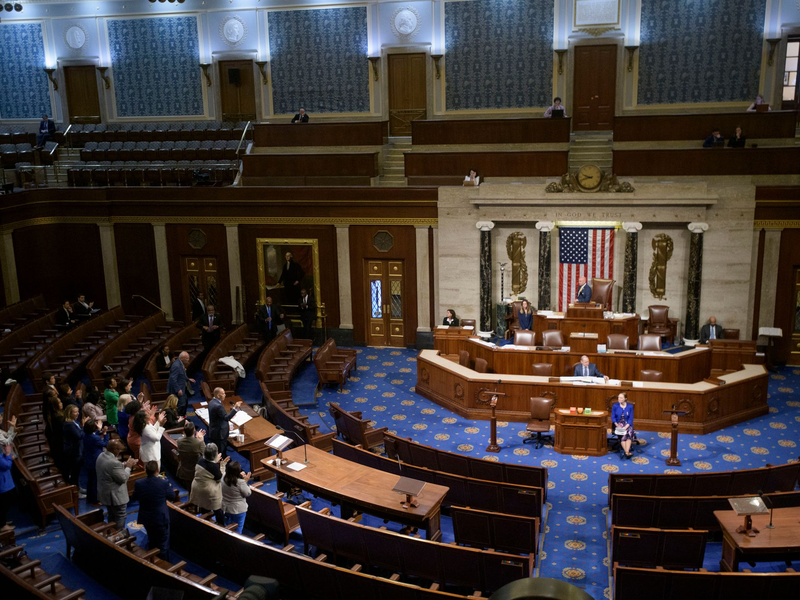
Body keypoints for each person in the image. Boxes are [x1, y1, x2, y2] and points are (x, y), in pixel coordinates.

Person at [134, 461, 173, 559]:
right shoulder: (163, 483)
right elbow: (172, 496)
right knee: (163, 544)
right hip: (160, 518)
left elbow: (134, 497)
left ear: (145, 470)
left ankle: (153, 560)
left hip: (146, 518)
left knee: (152, 539)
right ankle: (164, 566)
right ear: (157, 470)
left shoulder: (139, 483)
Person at [97, 439, 137, 528]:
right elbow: (123, 478)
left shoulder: (101, 455)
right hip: (115, 496)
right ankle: (119, 535)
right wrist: (129, 467)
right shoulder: (113, 462)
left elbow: (111, 469)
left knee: (111, 515)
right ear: (115, 449)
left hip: (105, 493)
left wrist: (125, 464)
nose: (119, 452)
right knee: (120, 515)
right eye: (119, 450)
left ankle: (112, 532)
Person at [190, 443, 228, 524]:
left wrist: (215, 460)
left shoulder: (200, 459)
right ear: (215, 454)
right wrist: (222, 465)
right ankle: (221, 525)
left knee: (204, 505)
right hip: (208, 491)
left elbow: (209, 463)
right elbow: (219, 478)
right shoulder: (213, 467)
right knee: (218, 509)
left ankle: (205, 521)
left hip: (197, 487)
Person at [208, 387, 242, 460]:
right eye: (223, 393)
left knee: (217, 452)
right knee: (221, 454)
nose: (225, 395)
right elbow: (226, 418)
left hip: (214, 430)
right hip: (219, 434)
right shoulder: (218, 406)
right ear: (218, 395)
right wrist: (235, 408)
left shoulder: (211, 402)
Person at [62, 405, 88, 496]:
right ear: (69, 413)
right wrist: (84, 425)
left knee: (76, 472)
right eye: (75, 412)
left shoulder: (73, 422)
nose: (77, 414)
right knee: (74, 473)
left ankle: (78, 487)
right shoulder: (69, 424)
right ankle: (76, 492)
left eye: (78, 411)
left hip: (77, 450)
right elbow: (79, 436)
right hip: (73, 452)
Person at [83, 419, 109, 505]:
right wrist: (105, 434)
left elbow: (94, 436)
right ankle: (95, 500)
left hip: (88, 460)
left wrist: (98, 430)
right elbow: (105, 444)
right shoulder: (95, 438)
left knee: (90, 480)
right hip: (95, 461)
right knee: (96, 481)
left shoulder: (85, 435)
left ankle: (89, 498)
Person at [222, 460, 252, 534]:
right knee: (238, 529)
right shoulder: (240, 482)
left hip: (225, 507)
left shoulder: (223, 477)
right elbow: (248, 493)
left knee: (229, 525)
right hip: (238, 510)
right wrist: (245, 481)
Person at [177, 421, 206, 488]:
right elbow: (206, 454)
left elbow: (189, 443)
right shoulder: (198, 443)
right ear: (194, 432)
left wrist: (197, 439)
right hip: (195, 472)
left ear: (184, 432)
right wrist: (201, 440)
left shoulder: (179, 441)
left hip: (184, 470)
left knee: (189, 489)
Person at [167, 351, 194, 417]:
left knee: (185, 402)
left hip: (181, 388)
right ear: (182, 358)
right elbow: (172, 379)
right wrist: (178, 389)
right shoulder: (176, 366)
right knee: (181, 405)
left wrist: (188, 379)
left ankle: (183, 418)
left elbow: (182, 374)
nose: (188, 360)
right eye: (187, 358)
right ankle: (178, 420)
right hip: (177, 390)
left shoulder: (180, 363)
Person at [611, 392, 637, 459]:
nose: (619, 399)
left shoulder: (630, 406)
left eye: (621, 398)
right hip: (618, 424)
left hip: (627, 424)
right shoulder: (615, 406)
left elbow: (631, 418)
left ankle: (626, 452)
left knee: (629, 433)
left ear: (625, 398)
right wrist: (617, 425)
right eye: (618, 397)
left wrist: (626, 426)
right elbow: (613, 417)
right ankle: (627, 452)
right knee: (623, 434)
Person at [0, 441, 16, 533]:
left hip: (5, 480)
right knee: (4, 503)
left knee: (5, 502)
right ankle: (2, 525)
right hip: (3, 483)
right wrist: (8, 454)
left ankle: (2, 520)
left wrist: (7, 454)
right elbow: (6, 465)